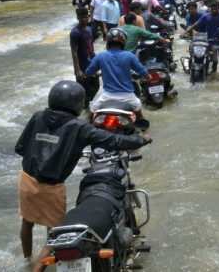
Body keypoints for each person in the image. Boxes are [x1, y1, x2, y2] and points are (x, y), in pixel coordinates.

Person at [15, 82, 152, 272]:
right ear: (77, 104)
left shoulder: (38, 117)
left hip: (27, 179)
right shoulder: (78, 127)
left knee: (27, 221)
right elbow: (113, 140)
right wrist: (141, 139)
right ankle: (36, 269)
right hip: (52, 187)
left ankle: (27, 259)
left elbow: (20, 147)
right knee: (57, 234)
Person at [85, 28, 150, 119]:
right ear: (123, 42)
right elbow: (142, 71)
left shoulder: (101, 56)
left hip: (107, 96)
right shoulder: (129, 56)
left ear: (108, 42)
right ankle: (143, 132)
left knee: (89, 117)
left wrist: (97, 73)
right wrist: (148, 76)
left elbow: (88, 72)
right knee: (140, 117)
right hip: (128, 96)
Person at [181, 1, 219, 73]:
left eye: (215, 9)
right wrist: (184, 33)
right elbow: (194, 25)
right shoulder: (206, 16)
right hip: (211, 42)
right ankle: (214, 75)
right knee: (214, 61)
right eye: (212, 9)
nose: (214, 10)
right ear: (210, 9)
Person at [70, 7, 100, 109]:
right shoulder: (75, 32)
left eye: (85, 17)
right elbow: (74, 52)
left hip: (91, 63)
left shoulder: (90, 29)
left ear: (88, 17)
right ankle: (84, 109)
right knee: (84, 91)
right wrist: (77, 70)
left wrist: (96, 61)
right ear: (77, 18)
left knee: (96, 85)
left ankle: (85, 105)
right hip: (82, 66)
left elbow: (91, 47)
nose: (83, 19)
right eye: (81, 17)